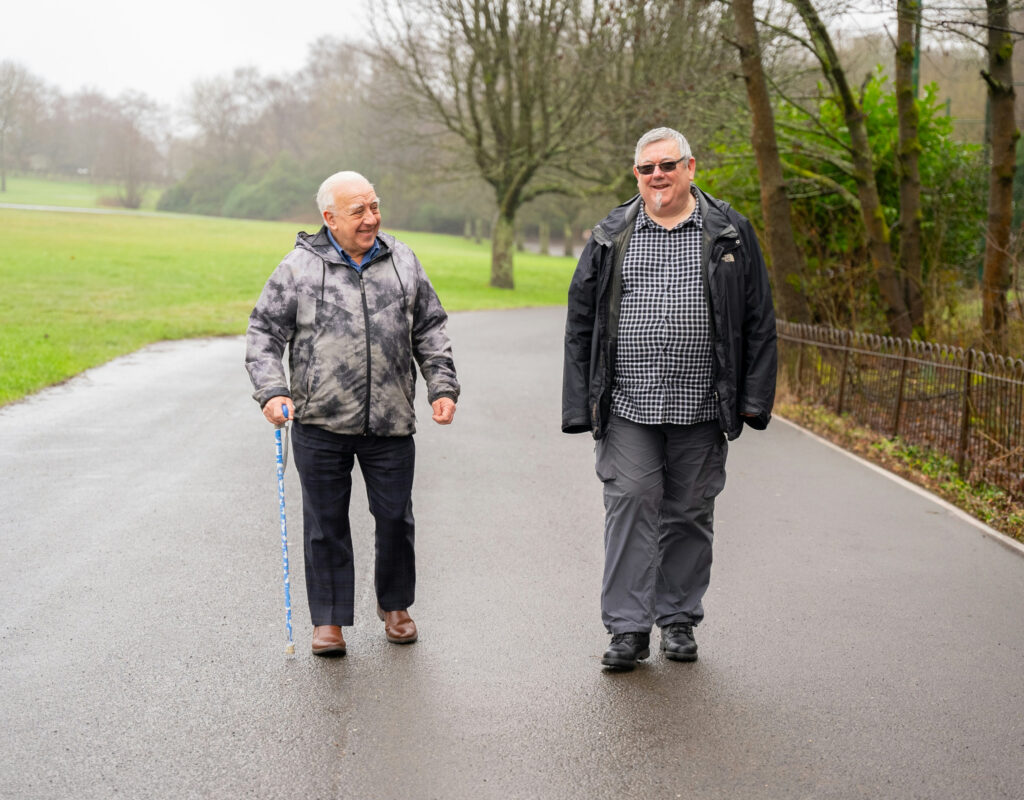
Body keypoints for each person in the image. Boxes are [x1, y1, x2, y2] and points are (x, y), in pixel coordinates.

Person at [562, 127, 777, 670]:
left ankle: (677, 618)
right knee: (630, 501)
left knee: (689, 511)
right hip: (629, 403)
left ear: (690, 167)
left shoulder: (729, 230)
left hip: (702, 404)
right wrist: (576, 405)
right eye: (646, 168)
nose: (657, 175)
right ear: (636, 175)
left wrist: (753, 398)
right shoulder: (613, 232)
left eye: (668, 165)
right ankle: (628, 628)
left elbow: (757, 318)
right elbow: (581, 320)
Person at [246, 171, 459, 657]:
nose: (371, 218)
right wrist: (272, 392)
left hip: (390, 420)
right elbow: (263, 333)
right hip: (320, 420)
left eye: (375, 206)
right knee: (325, 523)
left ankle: (396, 606)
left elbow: (430, 326)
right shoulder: (299, 267)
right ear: (329, 218)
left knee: (395, 519)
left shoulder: (402, 258)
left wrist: (440, 385)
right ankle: (328, 621)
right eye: (358, 211)